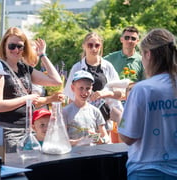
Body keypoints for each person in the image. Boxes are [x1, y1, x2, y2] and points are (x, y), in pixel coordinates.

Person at [118, 28, 177, 179]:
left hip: (147, 171)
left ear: (148, 54)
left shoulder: (143, 89)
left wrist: (118, 117)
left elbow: (128, 137)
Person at [0, 27, 62, 153]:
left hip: (28, 130)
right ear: (4, 46)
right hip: (9, 131)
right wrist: (26, 99)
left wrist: (42, 55)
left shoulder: (24, 68)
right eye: (12, 46)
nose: (16, 50)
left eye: (20, 46)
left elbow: (56, 81)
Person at [64, 32, 123, 136]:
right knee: (85, 145)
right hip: (83, 120)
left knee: (104, 145)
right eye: (90, 45)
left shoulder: (107, 67)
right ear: (84, 46)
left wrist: (105, 94)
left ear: (101, 46)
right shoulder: (77, 68)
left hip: (105, 119)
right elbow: (69, 96)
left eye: (97, 45)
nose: (93, 49)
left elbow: (121, 94)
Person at [63, 70, 110, 146]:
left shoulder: (95, 111)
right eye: (81, 88)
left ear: (92, 89)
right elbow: (61, 141)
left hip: (92, 154)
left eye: (87, 88)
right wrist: (80, 141)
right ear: (72, 88)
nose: (84, 92)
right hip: (74, 155)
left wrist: (102, 140)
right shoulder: (65, 112)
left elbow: (106, 136)